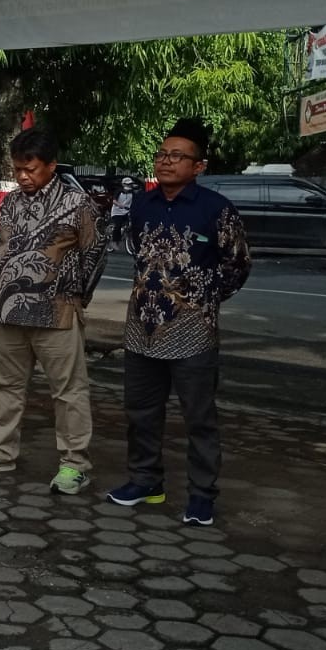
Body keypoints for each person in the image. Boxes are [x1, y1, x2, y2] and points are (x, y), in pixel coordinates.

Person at [107, 118, 251, 527]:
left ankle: (202, 496)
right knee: (141, 411)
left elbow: (238, 264)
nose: (166, 161)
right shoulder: (142, 205)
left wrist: (202, 300)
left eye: (177, 156)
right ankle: (145, 481)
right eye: (162, 154)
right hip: (142, 329)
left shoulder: (216, 209)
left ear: (198, 166)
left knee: (199, 418)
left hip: (193, 333)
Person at [0, 127, 108, 495]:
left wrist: (76, 296)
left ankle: (75, 464)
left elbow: (95, 254)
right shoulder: (11, 203)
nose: (23, 176)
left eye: (30, 169)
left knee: (68, 391)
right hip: (9, 313)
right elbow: (3, 251)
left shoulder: (77, 204)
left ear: (51, 165)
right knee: (6, 385)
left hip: (57, 313)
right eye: (17, 169)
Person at [110, 177, 136, 251]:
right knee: (118, 225)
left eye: (130, 184)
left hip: (127, 212)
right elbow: (114, 201)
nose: (129, 185)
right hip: (117, 212)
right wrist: (119, 205)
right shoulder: (119, 191)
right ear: (123, 184)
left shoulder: (132, 193)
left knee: (133, 224)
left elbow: (135, 202)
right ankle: (114, 242)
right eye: (128, 184)